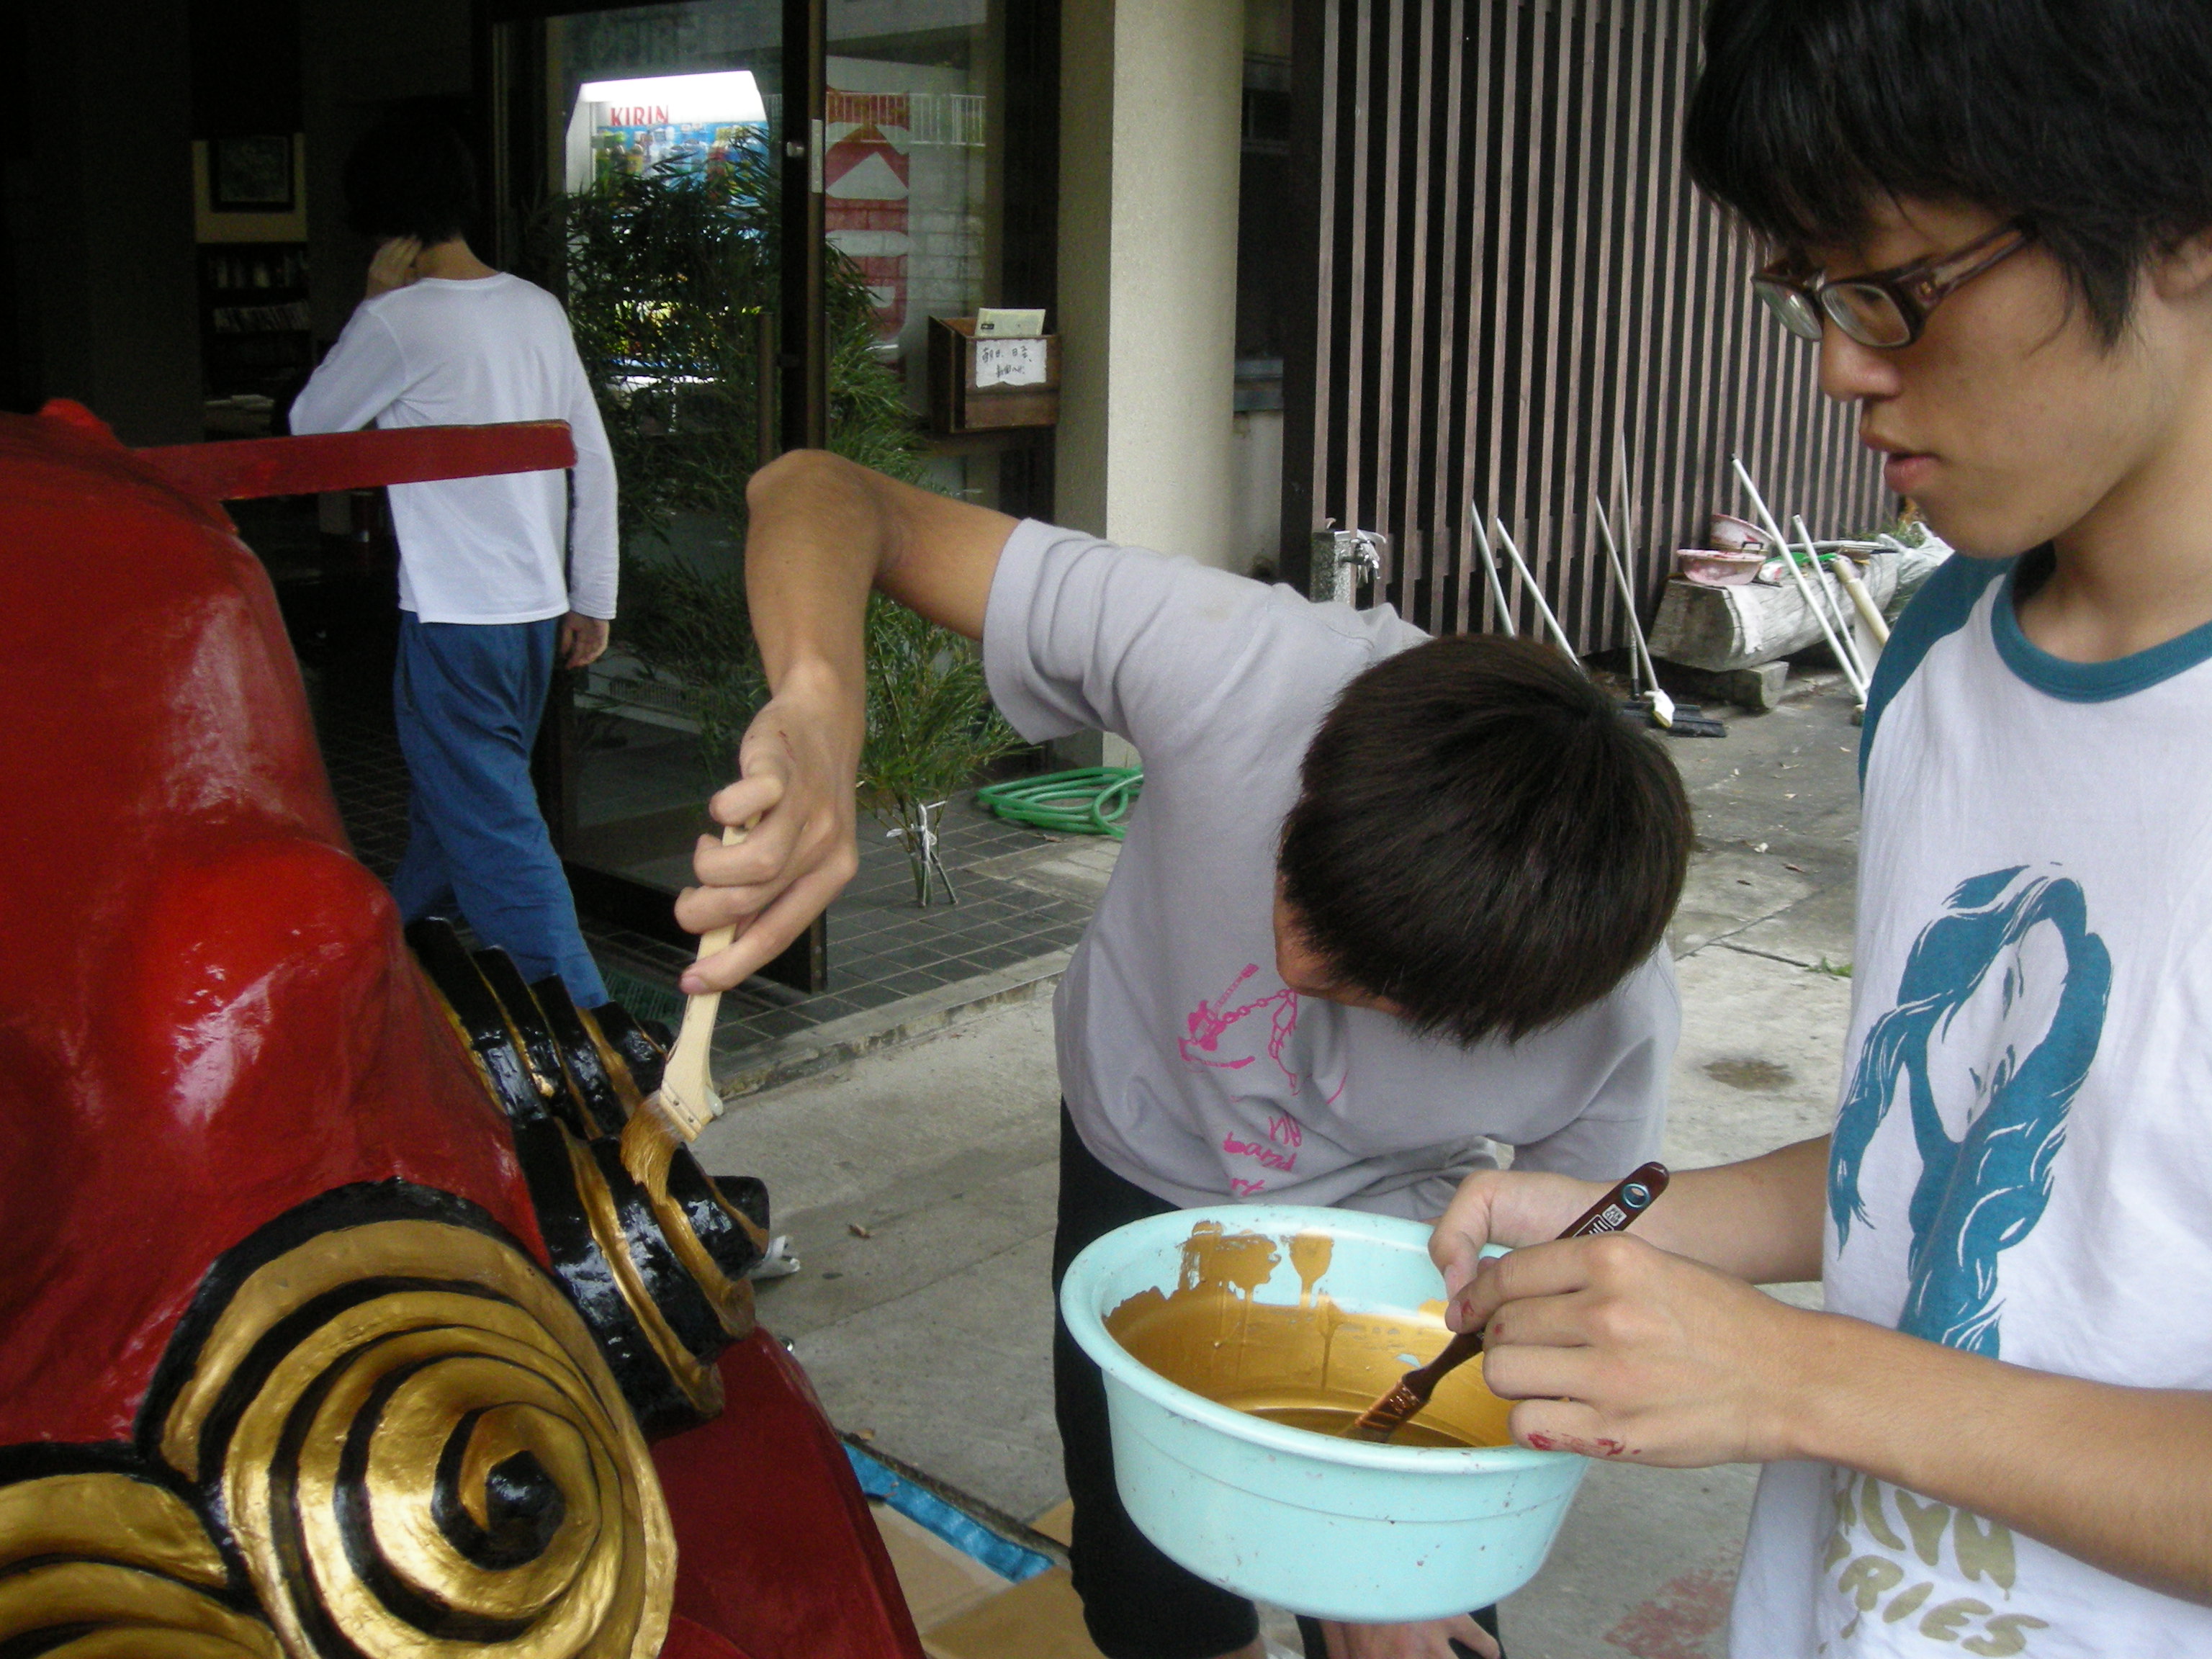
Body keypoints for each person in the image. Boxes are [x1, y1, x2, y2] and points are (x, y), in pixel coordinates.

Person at [1430, 1, 2212, 1655]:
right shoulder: (1936, 662)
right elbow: (1963, 1147)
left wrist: (1786, 1374)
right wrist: (1641, 1218)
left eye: (1888, 289)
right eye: (1807, 292)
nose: (1836, 364)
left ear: (2178, 221)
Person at [675, 452, 1695, 1659]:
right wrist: (816, 711)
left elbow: (1518, 1318)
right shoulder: (1240, 662)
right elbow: (822, 492)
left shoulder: (1609, 1022)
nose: (1296, 967)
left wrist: (1375, 1555)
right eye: (1297, 886)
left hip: (1394, 1245)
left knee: (1416, 1615)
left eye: (1373, 986)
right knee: (1152, 1586)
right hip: (1138, 1155)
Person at [290, 118, 617, 1008]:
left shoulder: (398, 321)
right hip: (532, 621)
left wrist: (369, 305)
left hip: (452, 622)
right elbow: (593, 456)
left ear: (380, 218)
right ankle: (368, 967)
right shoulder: (535, 308)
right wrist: (593, 595)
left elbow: (310, 432)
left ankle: (597, 1034)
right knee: (455, 817)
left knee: (498, 840)